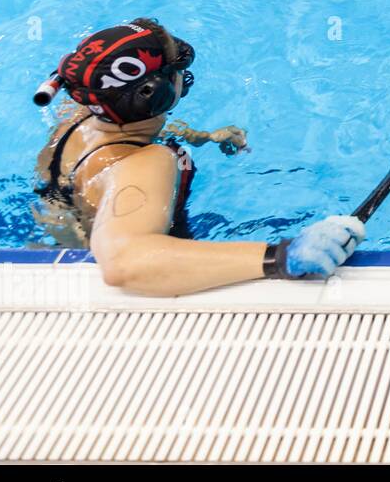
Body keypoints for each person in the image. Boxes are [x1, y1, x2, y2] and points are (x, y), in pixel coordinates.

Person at [32, 18, 364, 296]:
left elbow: (139, 122)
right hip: (148, 266)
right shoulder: (146, 162)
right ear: (154, 94)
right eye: (177, 72)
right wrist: (279, 257)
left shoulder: (77, 114)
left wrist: (204, 137)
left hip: (64, 233)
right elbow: (124, 263)